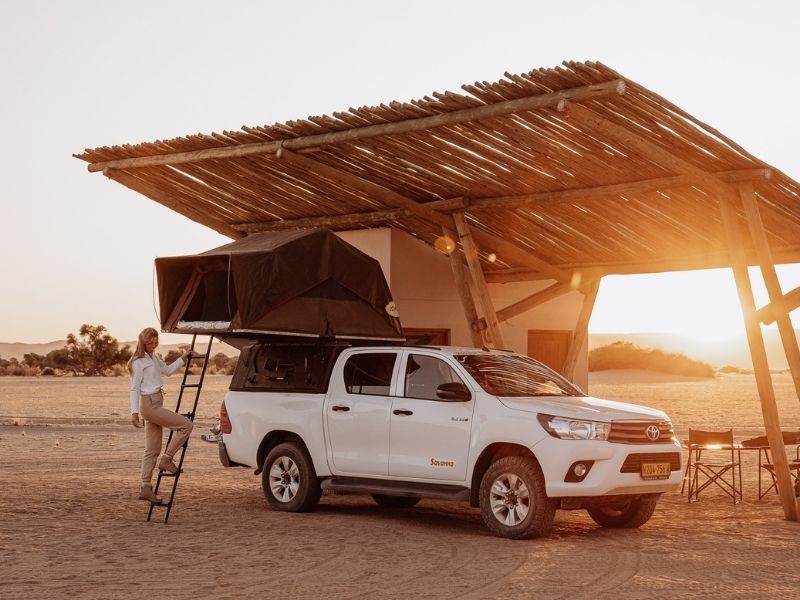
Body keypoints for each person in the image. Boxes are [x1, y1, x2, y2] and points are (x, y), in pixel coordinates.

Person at [128, 327, 194, 503]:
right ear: (143, 342)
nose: (153, 346)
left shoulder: (154, 358)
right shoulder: (138, 362)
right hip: (149, 405)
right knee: (186, 425)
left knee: (152, 449)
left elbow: (168, 370)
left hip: (156, 403)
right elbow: (134, 388)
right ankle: (167, 459)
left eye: (155, 343)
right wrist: (134, 413)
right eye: (150, 343)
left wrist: (183, 358)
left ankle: (145, 487)